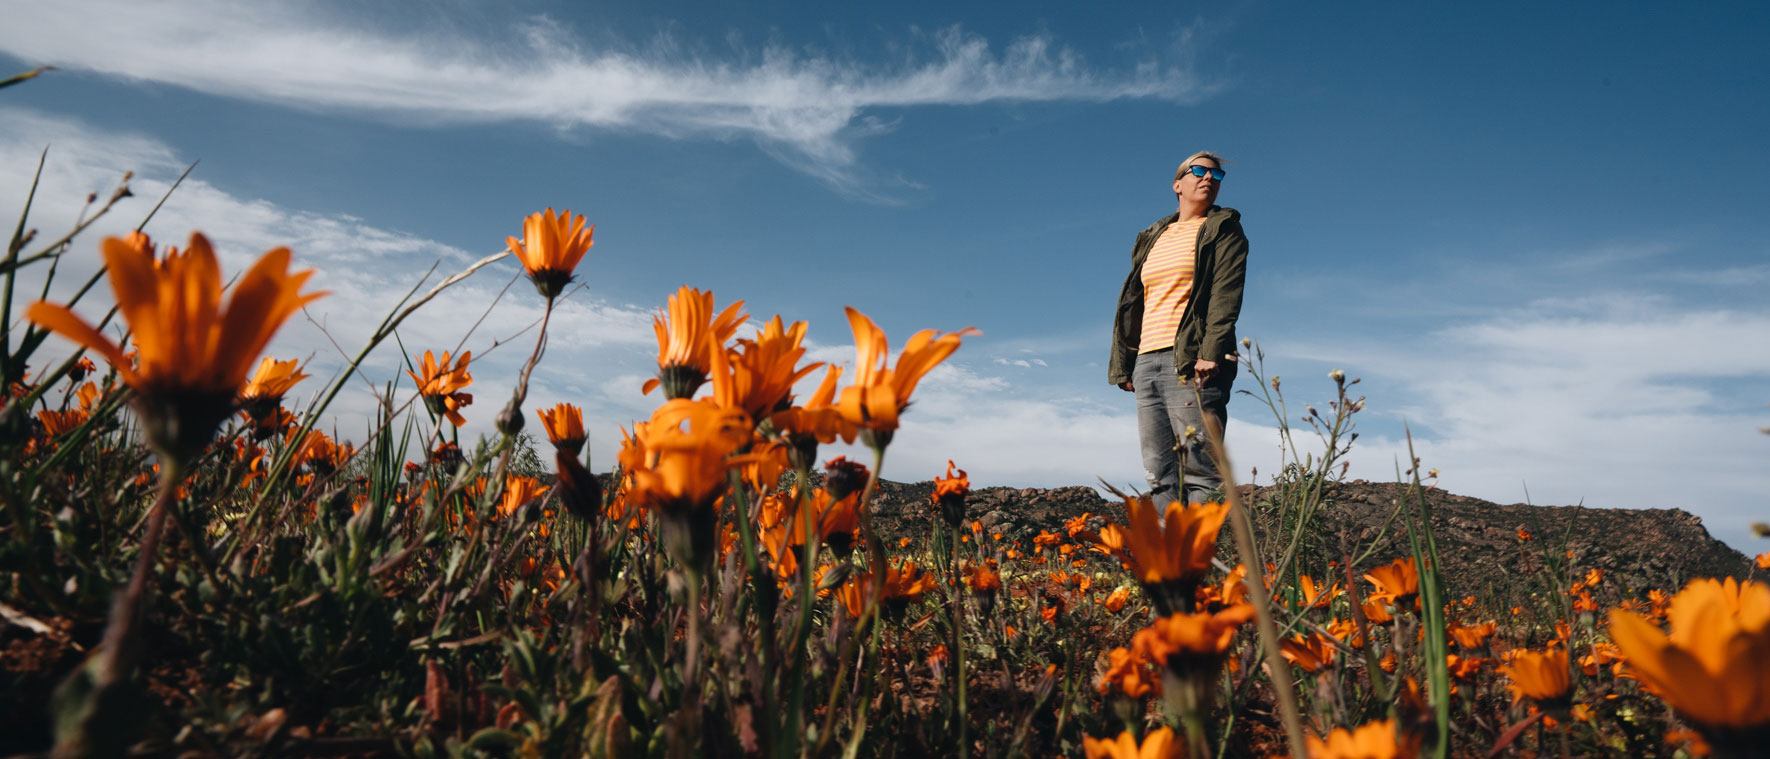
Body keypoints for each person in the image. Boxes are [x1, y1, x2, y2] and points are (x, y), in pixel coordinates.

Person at [1108, 151, 1249, 507]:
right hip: (1147, 361)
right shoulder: (1153, 236)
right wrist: (1125, 364)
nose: (1208, 178)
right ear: (1177, 184)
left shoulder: (1222, 228)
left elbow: (1225, 293)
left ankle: (1200, 559)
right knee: (1159, 473)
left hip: (1191, 361)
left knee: (1201, 471)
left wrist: (1211, 352)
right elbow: (1133, 302)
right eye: (1199, 171)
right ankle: (1170, 561)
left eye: (1216, 176)